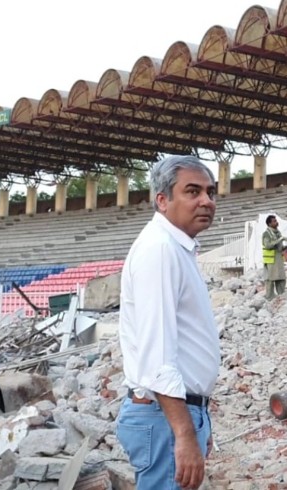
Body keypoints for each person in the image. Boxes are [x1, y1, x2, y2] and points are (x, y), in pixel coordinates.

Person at [116, 155, 220, 490]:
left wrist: (197, 420)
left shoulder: (176, 249)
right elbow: (157, 358)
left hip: (174, 415)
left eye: (210, 192)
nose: (205, 200)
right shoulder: (159, 250)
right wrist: (184, 433)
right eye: (192, 191)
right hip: (165, 418)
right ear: (163, 200)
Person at [262, 215, 287, 300]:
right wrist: (279, 240)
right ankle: (270, 298)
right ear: (269, 223)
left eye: (276, 220)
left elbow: (279, 247)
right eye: (274, 221)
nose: (276, 222)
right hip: (271, 260)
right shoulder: (266, 234)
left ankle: (281, 296)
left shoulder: (278, 232)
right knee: (270, 279)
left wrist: (285, 248)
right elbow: (268, 245)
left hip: (278, 259)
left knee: (280, 278)